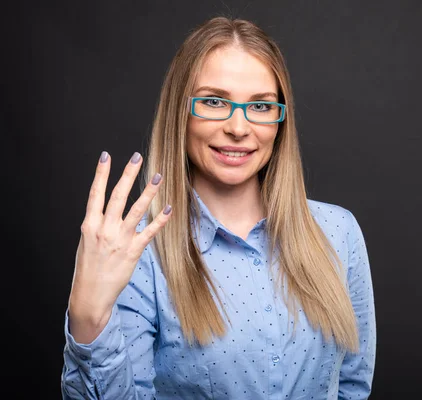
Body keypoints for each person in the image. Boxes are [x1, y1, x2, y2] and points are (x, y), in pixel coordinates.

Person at [61, 16, 376, 400]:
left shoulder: (338, 232)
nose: (239, 127)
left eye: (260, 105)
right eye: (213, 101)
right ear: (181, 111)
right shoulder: (136, 248)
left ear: (280, 121)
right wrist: (87, 320)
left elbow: (353, 388)